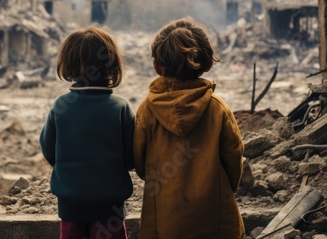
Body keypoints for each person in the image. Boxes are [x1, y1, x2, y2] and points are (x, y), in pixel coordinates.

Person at [134, 17, 245, 239]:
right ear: (208, 63)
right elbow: (234, 159)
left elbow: (139, 163)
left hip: (165, 220)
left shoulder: (147, 110)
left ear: (157, 66)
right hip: (215, 219)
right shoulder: (218, 109)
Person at [40, 27, 135, 239]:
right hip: (110, 205)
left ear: (69, 64)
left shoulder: (61, 105)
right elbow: (131, 158)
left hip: (70, 202)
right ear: (111, 64)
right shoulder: (121, 107)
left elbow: (49, 151)